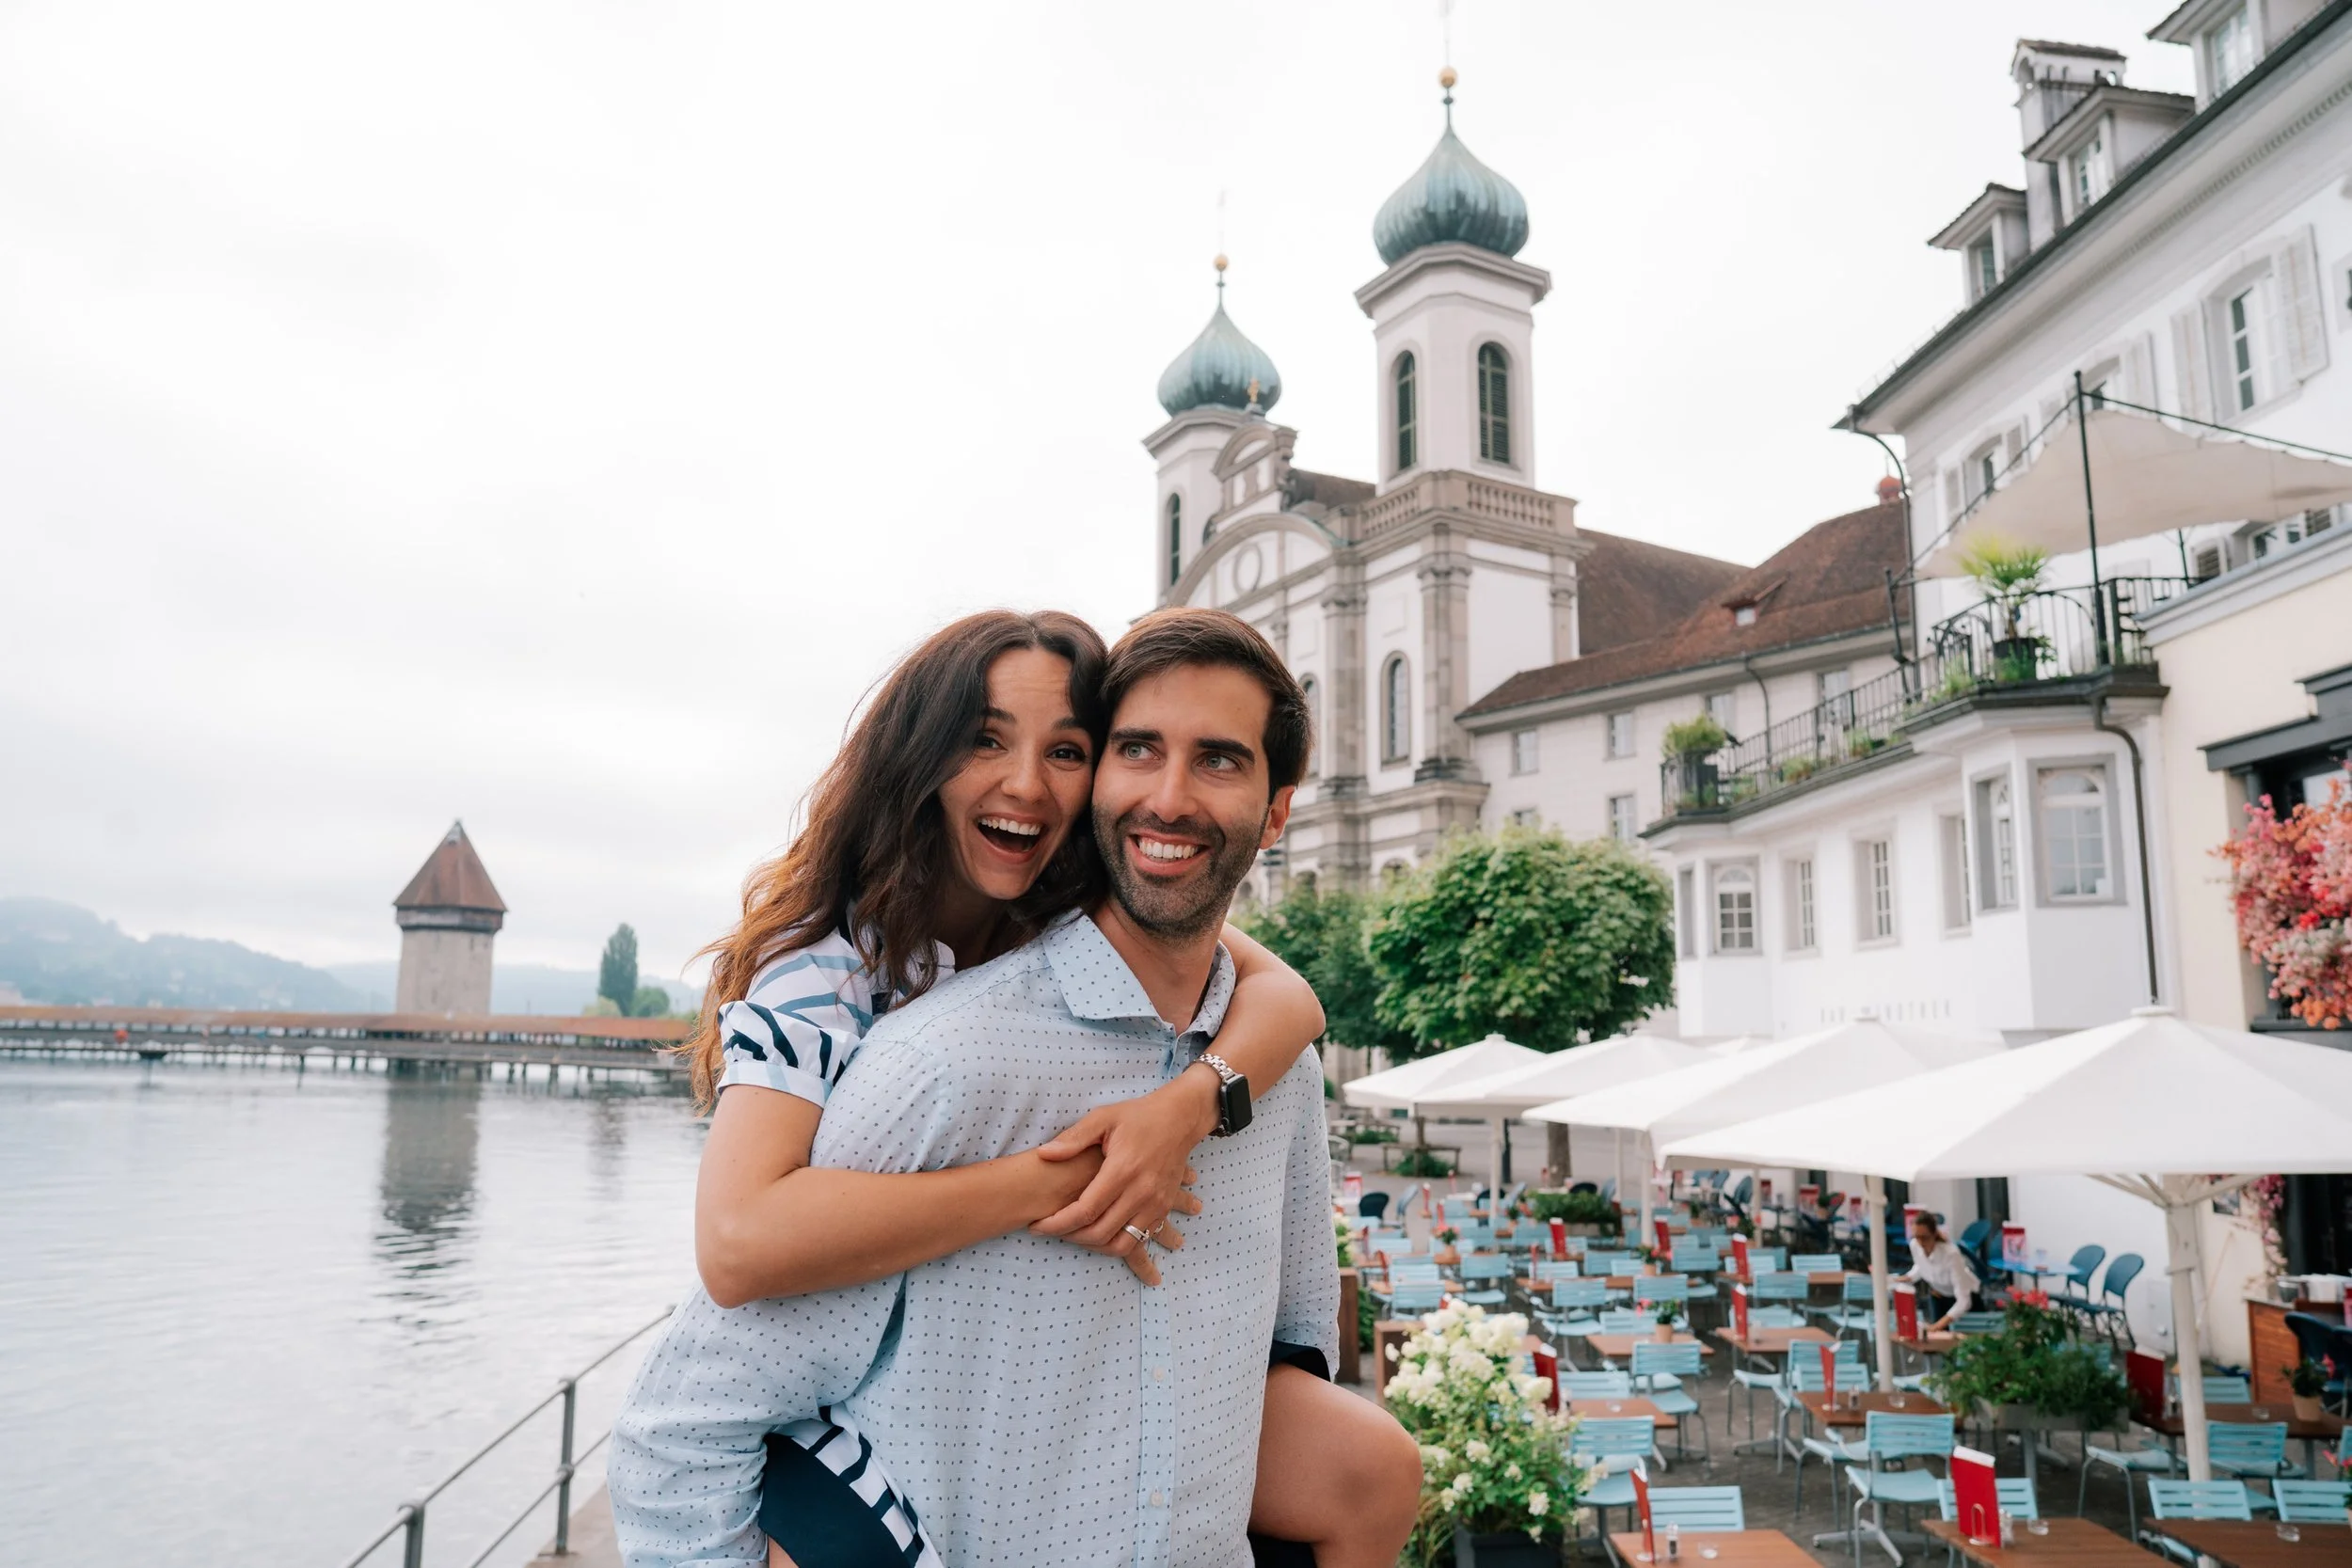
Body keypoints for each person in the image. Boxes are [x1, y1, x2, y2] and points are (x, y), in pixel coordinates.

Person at [610, 609, 1419, 1568]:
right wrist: (1058, 1178)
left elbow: (1283, 992)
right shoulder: (857, 997)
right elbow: (737, 1255)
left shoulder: (1235, 1045)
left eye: (1064, 749)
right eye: (985, 739)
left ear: (1276, 809)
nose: (1028, 783)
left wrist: (1190, 1101)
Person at [1903, 1212, 1979, 1329]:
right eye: (1916, 1237)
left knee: (1963, 1341)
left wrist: (1937, 1326)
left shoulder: (1951, 1254)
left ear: (1934, 1234)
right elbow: (1921, 1267)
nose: (1920, 1242)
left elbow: (1964, 1301)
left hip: (1965, 1298)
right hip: (1940, 1295)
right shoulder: (1915, 1245)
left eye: (1925, 1237)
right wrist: (1902, 1278)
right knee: (1936, 1340)